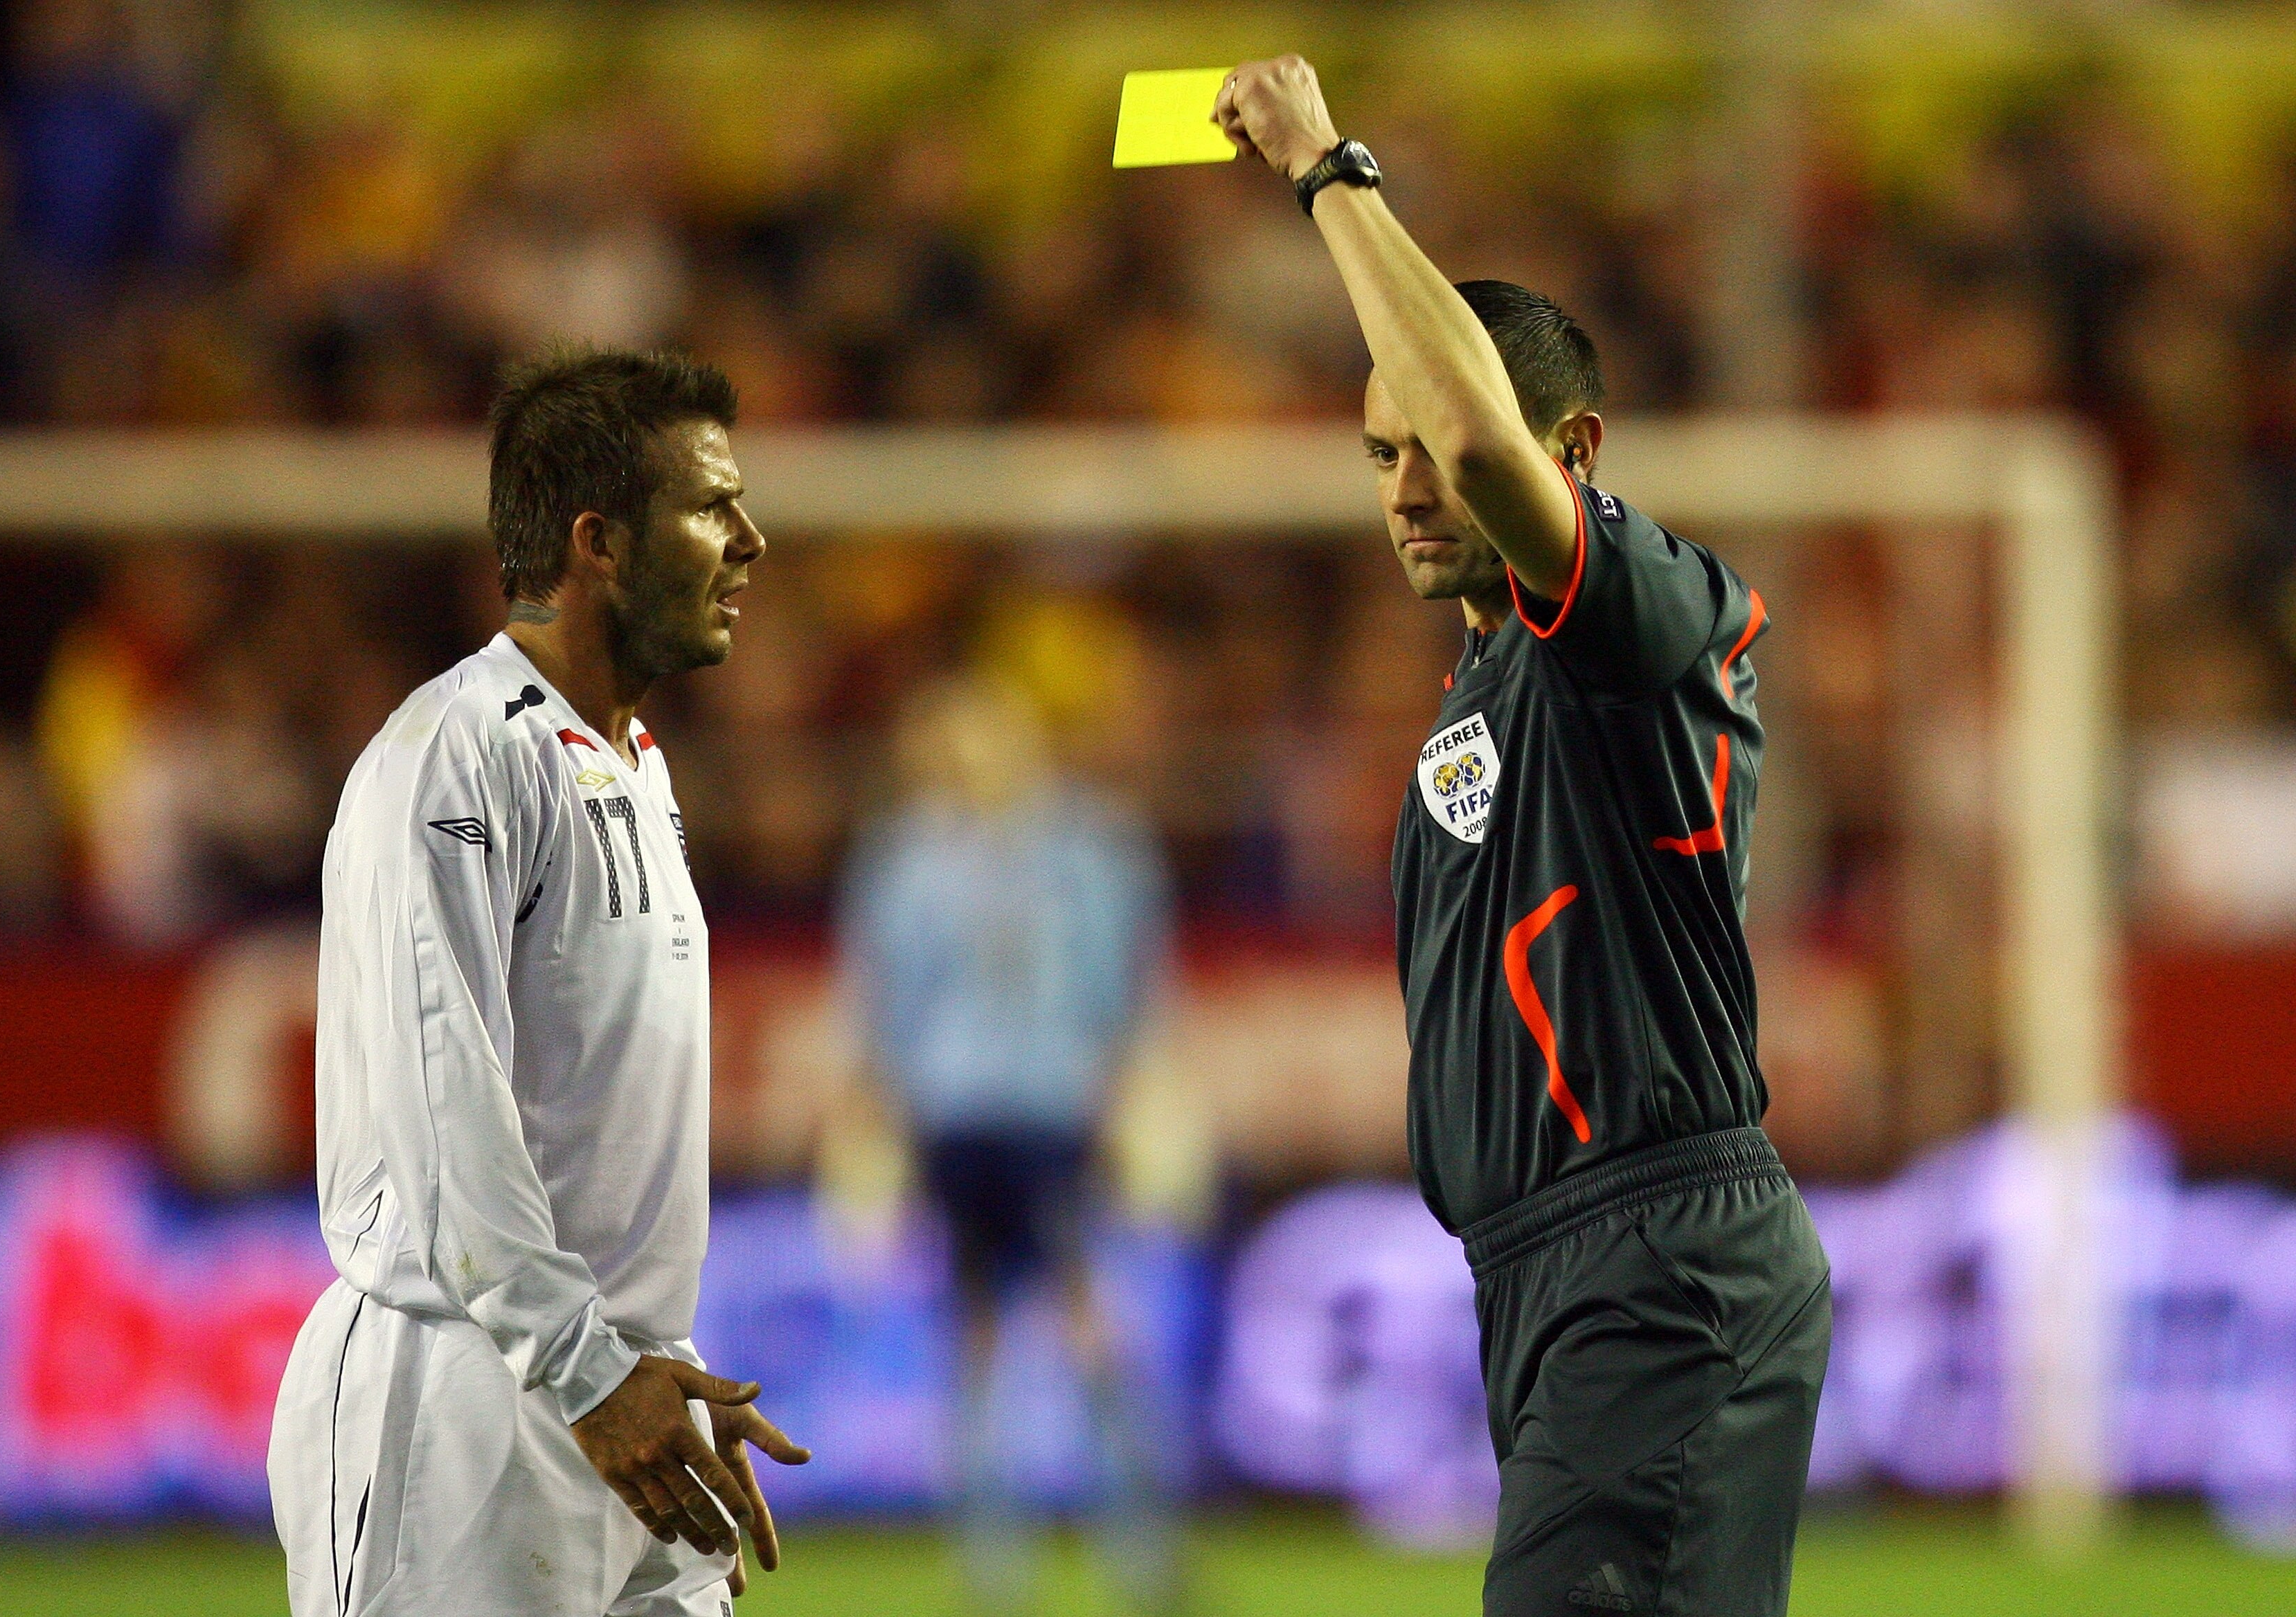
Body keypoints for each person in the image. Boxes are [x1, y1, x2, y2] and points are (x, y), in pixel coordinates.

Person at [1216, 58, 1832, 1616]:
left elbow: (1488, 455)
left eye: (1425, 438)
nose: (1408, 488)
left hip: (1663, 1267)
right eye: (1378, 455)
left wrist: (1325, 171)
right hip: (1552, 1278)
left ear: (1579, 447)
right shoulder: (1485, 678)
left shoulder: (1646, 622)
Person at [269, 345, 808, 1617]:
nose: (752, 541)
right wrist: (588, 1369)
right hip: (461, 1405)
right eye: (710, 507)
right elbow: (443, 1105)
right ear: (599, 542)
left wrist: (653, 1367)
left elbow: (588, 1132)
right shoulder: (448, 759)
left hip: (617, 1396)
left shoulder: (633, 767)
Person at [841, 675, 1178, 1612]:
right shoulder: (923, 856)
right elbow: (883, 1005)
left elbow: (1126, 988)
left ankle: (1113, 1551)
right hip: (976, 1117)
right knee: (1016, 1330)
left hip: (1038, 1112)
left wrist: (1138, 1097)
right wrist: (875, 1123)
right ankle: (1042, 1559)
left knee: (1058, 1327)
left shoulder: (1076, 848)